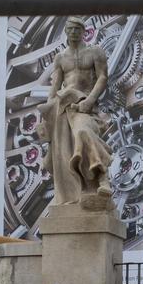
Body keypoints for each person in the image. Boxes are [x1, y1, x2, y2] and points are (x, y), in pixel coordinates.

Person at [40, 17, 115, 210]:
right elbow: (55, 86)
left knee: (83, 132)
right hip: (64, 107)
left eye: (77, 29)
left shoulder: (94, 52)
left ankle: (102, 177)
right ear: (66, 31)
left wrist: (90, 101)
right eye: (70, 29)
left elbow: (102, 77)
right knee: (62, 153)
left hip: (85, 106)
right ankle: (75, 194)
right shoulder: (60, 58)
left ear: (83, 31)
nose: (73, 32)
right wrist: (46, 116)